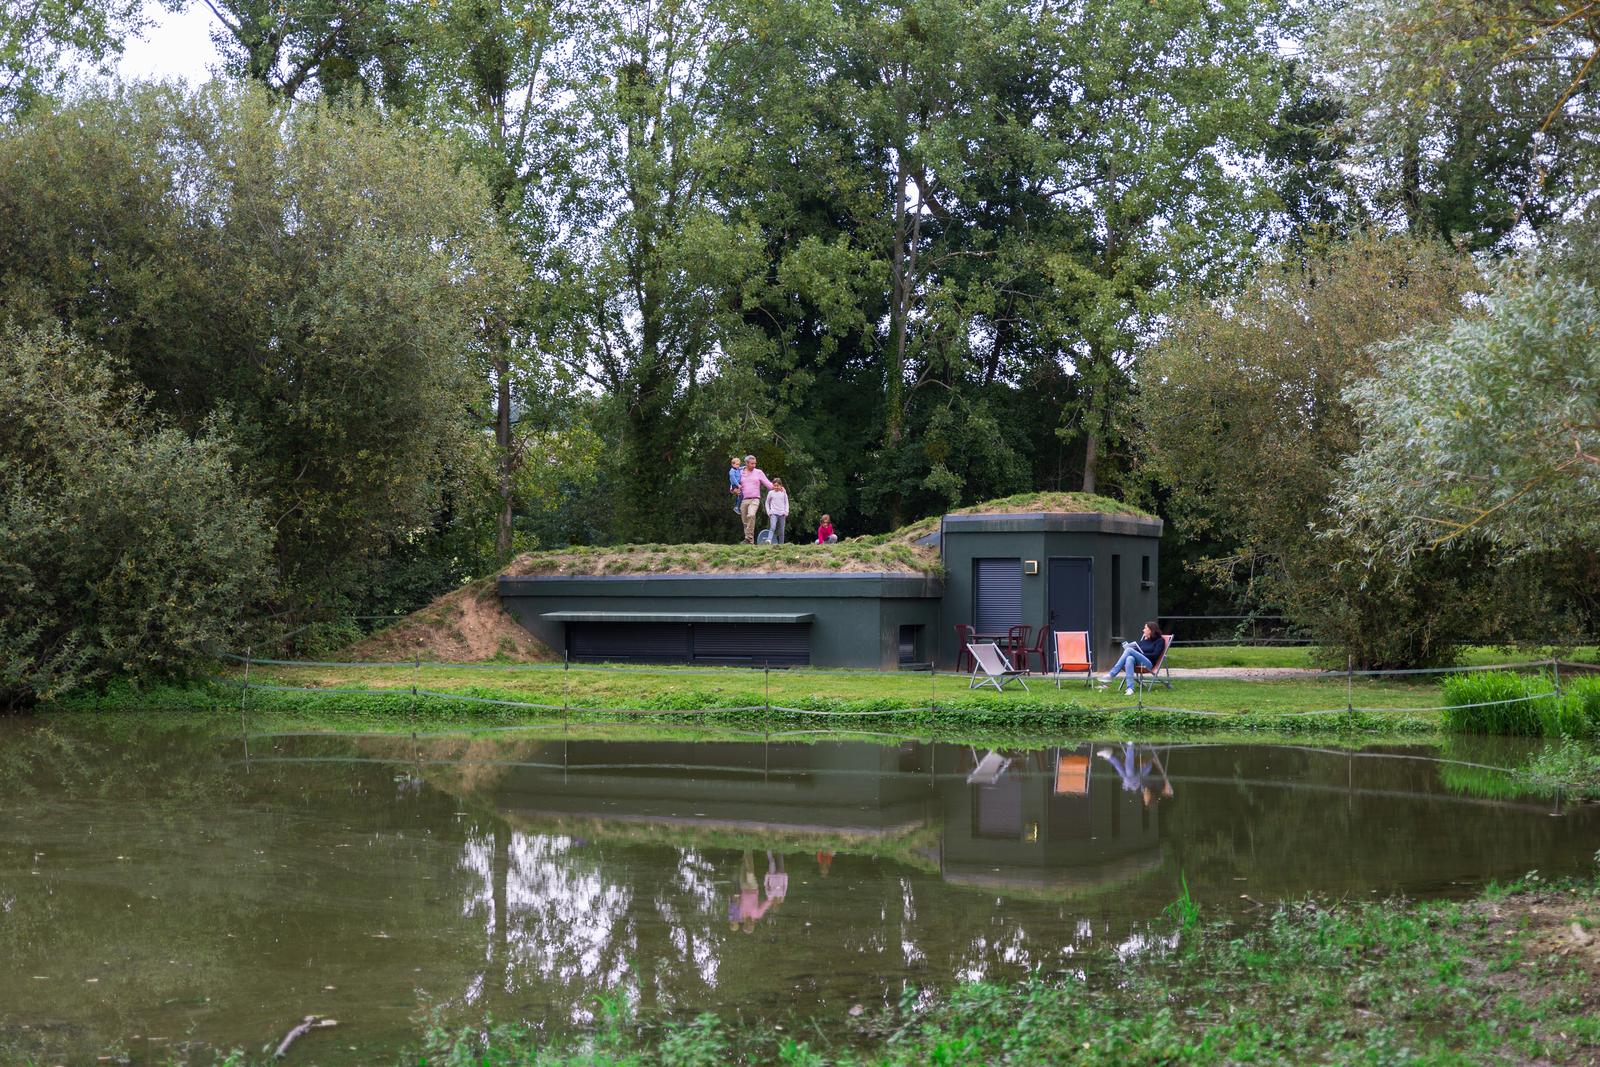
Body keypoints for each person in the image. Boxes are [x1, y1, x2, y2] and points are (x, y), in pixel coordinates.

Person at [1100, 620, 1165, 696]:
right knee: (1129, 658)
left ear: (1151, 630)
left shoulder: (1160, 641)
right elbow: (1137, 651)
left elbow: (1155, 655)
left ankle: (1111, 674)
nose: (1143, 630)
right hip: (1139, 663)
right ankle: (1130, 688)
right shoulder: (1144, 641)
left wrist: (1140, 654)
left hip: (1148, 664)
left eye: (1145, 628)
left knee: (1129, 650)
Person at [737, 455, 773, 544]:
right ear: (746, 463)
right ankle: (750, 543)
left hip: (755, 499)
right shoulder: (740, 472)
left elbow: (768, 484)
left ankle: (748, 538)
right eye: (752, 464)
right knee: (745, 522)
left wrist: (778, 488)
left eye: (755, 463)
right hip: (743, 499)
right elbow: (733, 483)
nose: (754, 465)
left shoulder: (758, 472)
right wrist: (733, 489)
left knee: (751, 515)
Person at [765, 478, 789, 544]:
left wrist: (786, 511)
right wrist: (768, 511)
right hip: (773, 513)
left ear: (781, 485)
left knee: (781, 530)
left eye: (777, 485)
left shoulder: (783, 493)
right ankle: (769, 540)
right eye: (774, 485)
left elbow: (786, 502)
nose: (776, 487)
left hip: (782, 514)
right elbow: (767, 502)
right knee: (773, 526)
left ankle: (781, 544)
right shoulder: (770, 493)